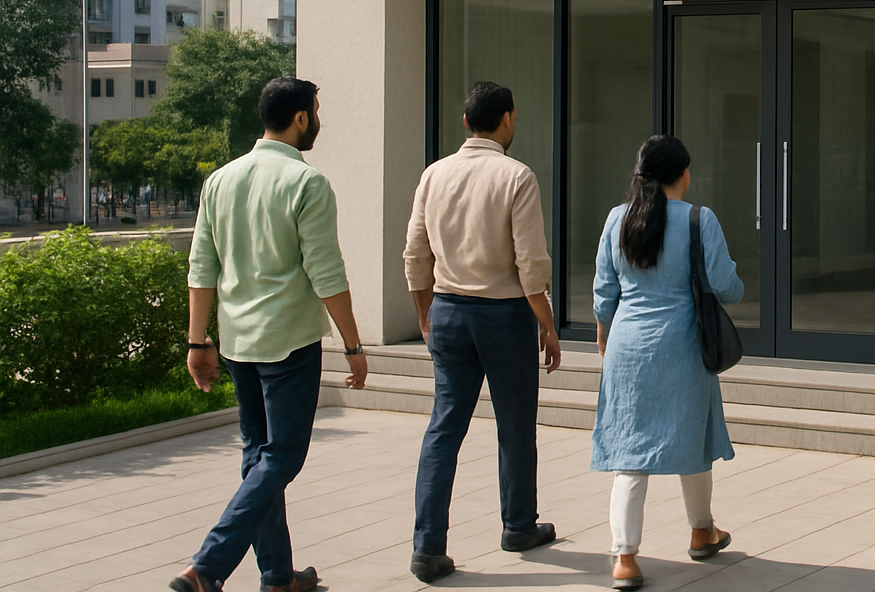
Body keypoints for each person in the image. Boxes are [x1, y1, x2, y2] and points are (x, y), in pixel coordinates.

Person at [172, 78, 367, 592]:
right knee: (281, 457)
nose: (319, 122)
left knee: (258, 455)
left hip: (238, 343)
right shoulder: (308, 184)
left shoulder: (221, 180)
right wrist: (353, 344)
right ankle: (206, 568)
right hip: (289, 344)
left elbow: (201, 268)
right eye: (317, 113)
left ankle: (277, 577)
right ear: (300, 118)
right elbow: (327, 274)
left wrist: (198, 343)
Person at [403, 81, 562, 583]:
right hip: (504, 315)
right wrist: (549, 326)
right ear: (508, 118)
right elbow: (531, 264)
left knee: (443, 429)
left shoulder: (434, 175)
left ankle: (427, 547)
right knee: (515, 425)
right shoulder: (516, 176)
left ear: (465, 121)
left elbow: (415, 256)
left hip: (449, 310)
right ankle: (518, 525)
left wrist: (426, 312)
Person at [591, 135, 744, 591]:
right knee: (692, 437)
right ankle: (701, 530)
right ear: (683, 174)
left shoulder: (618, 219)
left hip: (627, 347)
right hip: (683, 345)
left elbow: (604, 292)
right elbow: (726, 287)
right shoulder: (700, 219)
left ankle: (624, 557)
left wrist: (604, 330)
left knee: (629, 451)